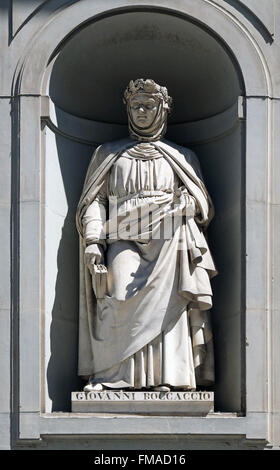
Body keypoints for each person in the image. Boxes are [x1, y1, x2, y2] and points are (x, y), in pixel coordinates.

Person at [76, 78, 216, 392]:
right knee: (119, 294)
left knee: (170, 301)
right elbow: (94, 202)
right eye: (135, 106)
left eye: (148, 106)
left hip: (168, 235)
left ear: (162, 110)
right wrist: (94, 241)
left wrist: (187, 204)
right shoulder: (108, 153)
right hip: (121, 234)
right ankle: (112, 375)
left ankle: (169, 377)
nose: (141, 111)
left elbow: (202, 204)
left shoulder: (181, 156)